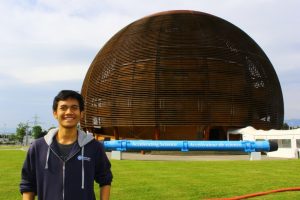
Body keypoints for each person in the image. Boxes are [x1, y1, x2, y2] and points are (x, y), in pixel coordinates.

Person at [20, 90, 113, 200]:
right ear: (55, 113)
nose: (69, 112)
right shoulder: (38, 147)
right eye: (63, 108)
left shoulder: (94, 147)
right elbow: (28, 185)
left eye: (74, 107)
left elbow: (105, 180)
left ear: (81, 113)